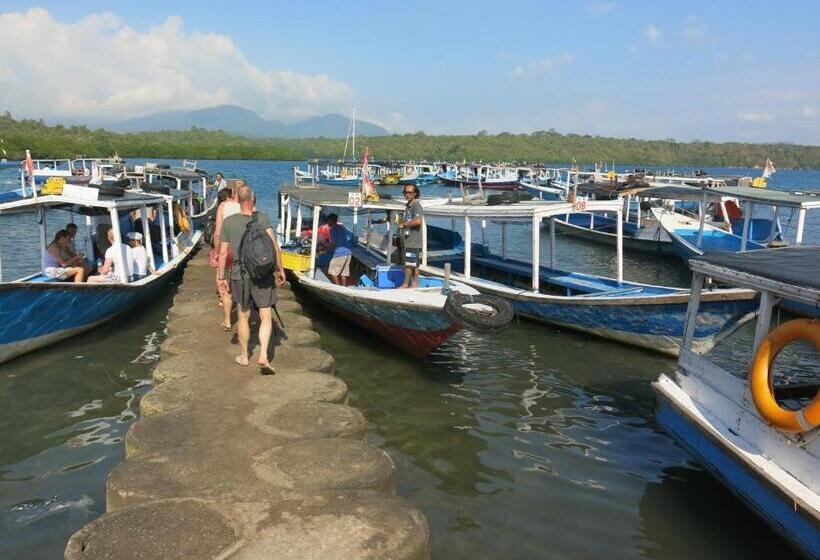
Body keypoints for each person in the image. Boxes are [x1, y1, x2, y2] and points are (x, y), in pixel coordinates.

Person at [216, 185, 286, 374]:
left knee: (243, 316)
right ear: (253, 199)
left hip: (240, 275)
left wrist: (221, 276)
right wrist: (280, 269)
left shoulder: (229, 222)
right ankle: (263, 355)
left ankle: (245, 356)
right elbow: (273, 246)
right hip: (263, 274)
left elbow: (222, 253)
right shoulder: (262, 218)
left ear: (237, 200)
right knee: (265, 315)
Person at [212, 186, 241, 330]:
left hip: (227, 249)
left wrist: (217, 252)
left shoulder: (222, 207)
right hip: (242, 250)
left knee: (225, 286)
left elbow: (217, 233)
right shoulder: (244, 207)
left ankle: (228, 321)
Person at [398, 184, 423, 288]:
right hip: (409, 239)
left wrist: (404, 224)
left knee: (409, 264)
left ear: (415, 193)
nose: (407, 195)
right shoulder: (408, 205)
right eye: (405, 193)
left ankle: (405, 284)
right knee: (414, 264)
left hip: (413, 240)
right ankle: (414, 284)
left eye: (410, 193)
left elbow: (418, 221)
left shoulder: (416, 205)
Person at [321, 213, 352, 286]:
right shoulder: (342, 228)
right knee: (344, 273)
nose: (327, 222)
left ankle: (338, 288)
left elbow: (333, 244)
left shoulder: (333, 230)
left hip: (340, 254)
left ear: (331, 220)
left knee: (332, 272)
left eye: (328, 221)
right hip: (348, 253)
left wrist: (325, 250)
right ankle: (344, 288)